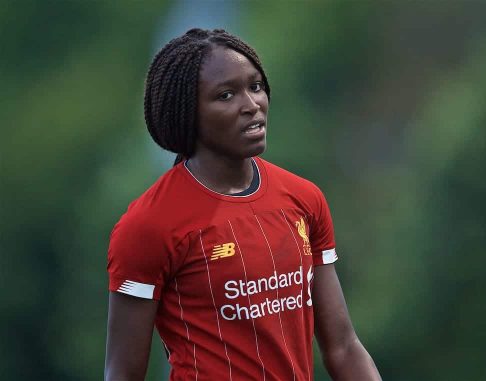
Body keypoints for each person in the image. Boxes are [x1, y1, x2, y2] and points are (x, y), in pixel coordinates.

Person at [105, 28, 381, 381]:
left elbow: (343, 347)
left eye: (255, 86)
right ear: (187, 111)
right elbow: (122, 373)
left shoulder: (304, 199)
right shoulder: (147, 226)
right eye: (225, 95)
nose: (252, 105)